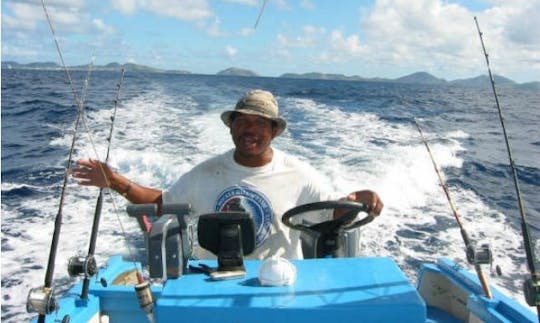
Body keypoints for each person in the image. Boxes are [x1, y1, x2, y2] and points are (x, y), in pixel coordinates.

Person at [72, 89, 383, 259]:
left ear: (274, 131)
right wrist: (114, 181)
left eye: (261, 123)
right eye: (242, 122)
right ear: (231, 127)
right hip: (212, 283)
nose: (250, 130)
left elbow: (332, 212)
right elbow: (162, 203)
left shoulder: (300, 174)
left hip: (277, 287)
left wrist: (362, 199)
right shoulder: (206, 172)